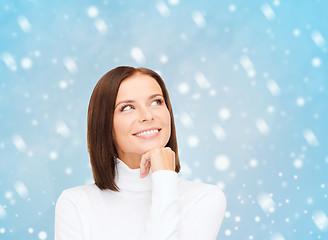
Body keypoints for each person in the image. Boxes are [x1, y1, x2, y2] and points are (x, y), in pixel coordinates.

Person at [55, 66, 226, 240]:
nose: (147, 115)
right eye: (127, 107)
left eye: (156, 102)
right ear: (105, 124)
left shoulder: (204, 199)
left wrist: (164, 179)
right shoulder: (75, 204)